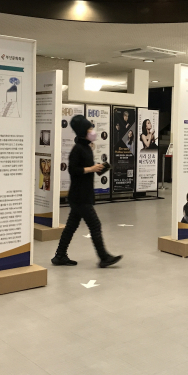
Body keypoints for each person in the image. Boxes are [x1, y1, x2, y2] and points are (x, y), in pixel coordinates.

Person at [53, 115, 122, 268]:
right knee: (95, 225)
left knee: (71, 226)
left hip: (81, 195)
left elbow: (85, 168)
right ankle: (104, 257)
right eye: (90, 128)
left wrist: (97, 168)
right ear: (83, 131)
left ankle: (59, 255)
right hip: (80, 196)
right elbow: (73, 170)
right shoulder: (78, 149)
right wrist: (91, 168)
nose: (92, 131)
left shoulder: (86, 148)